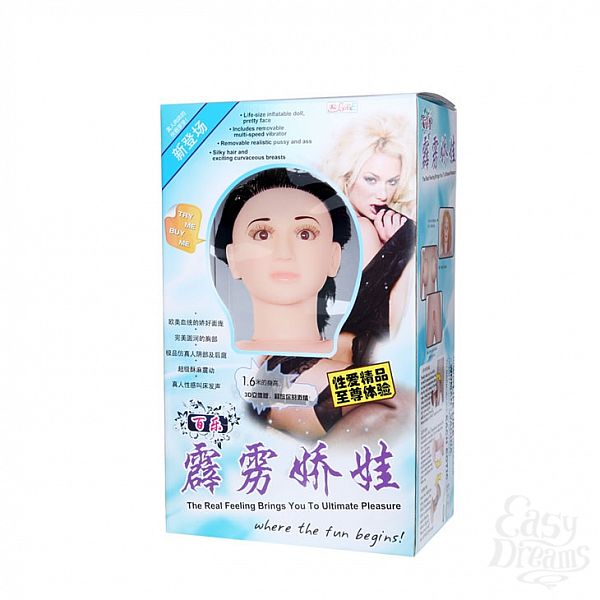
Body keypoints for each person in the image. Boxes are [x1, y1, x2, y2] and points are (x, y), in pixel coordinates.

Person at [249, 116, 417, 443]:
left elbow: (391, 330)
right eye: (371, 179)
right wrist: (403, 245)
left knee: (403, 398)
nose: (382, 193)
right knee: (400, 396)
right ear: (348, 175)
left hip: (321, 381)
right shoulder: (343, 231)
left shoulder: (384, 234)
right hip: (296, 378)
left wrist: (404, 251)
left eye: (392, 181)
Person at [213, 167, 352, 354]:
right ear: (234, 259)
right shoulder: (217, 359)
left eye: (305, 234)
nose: (284, 253)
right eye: (262, 235)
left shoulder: (359, 356)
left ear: (333, 258)